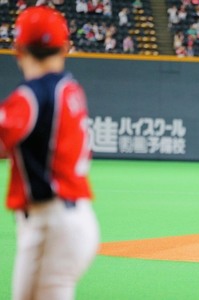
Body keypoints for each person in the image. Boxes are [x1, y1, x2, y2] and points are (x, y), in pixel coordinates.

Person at [0, 6, 100, 300]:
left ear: (20, 50)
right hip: (74, 218)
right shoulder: (69, 88)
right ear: (63, 47)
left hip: (52, 224)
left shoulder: (31, 95)